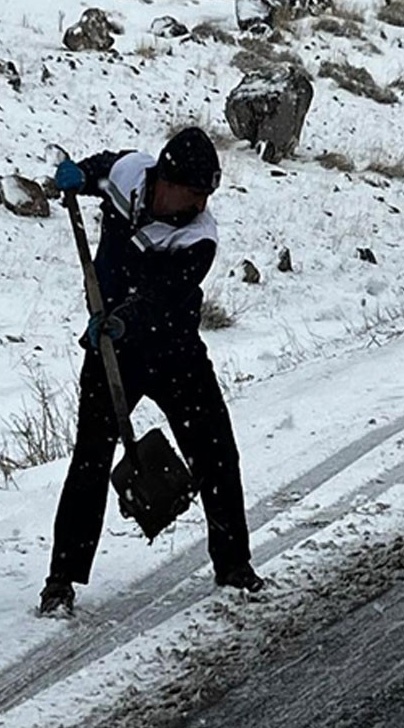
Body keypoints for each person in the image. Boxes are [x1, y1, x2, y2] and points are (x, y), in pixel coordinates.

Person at [41, 127, 263, 616]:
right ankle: (60, 581)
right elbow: (100, 168)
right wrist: (77, 176)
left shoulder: (198, 236)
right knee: (90, 461)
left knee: (216, 453)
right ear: (166, 178)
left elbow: (164, 297)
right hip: (109, 349)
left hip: (173, 351)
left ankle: (234, 566)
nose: (201, 203)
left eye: (207, 195)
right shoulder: (127, 175)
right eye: (195, 192)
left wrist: (123, 318)